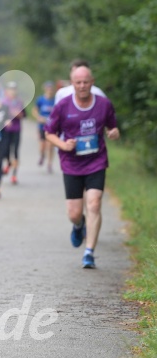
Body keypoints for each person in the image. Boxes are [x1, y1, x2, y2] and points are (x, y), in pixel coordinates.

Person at [45, 66, 119, 269]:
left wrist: (114, 133)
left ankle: (89, 252)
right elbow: (49, 133)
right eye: (78, 82)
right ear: (72, 84)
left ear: (92, 82)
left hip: (96, 161)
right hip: (71, 163)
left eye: (86, 81)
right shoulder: (63, 106)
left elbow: (113, 127)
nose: (82, 85)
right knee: (74, 213)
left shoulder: (104, 104)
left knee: (94, 203)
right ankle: (79, 225)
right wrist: (62, 145)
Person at [1, 81, 26, 184]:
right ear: (7, 91)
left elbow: (24, 115)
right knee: (6, 151)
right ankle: (9, 164)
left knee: (15, 152)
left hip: (16, 130)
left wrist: (19, 114)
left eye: (14, 89)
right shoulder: (3, 102)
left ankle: (14, 175)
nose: (12, 91)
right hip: (6, 130)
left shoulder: (20, 102)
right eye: (10, 89)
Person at [32, 81, 56, 173]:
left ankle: (49, 164)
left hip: (52, 126)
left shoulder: (55, 100)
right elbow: (34, 110)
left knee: (50, 146)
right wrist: (39, 117)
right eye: (48, 88)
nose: (50, 90)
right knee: (42, 146)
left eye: (51, 89)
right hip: (42, 126)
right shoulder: (40, 100)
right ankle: (42, 155)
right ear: (45, 89)